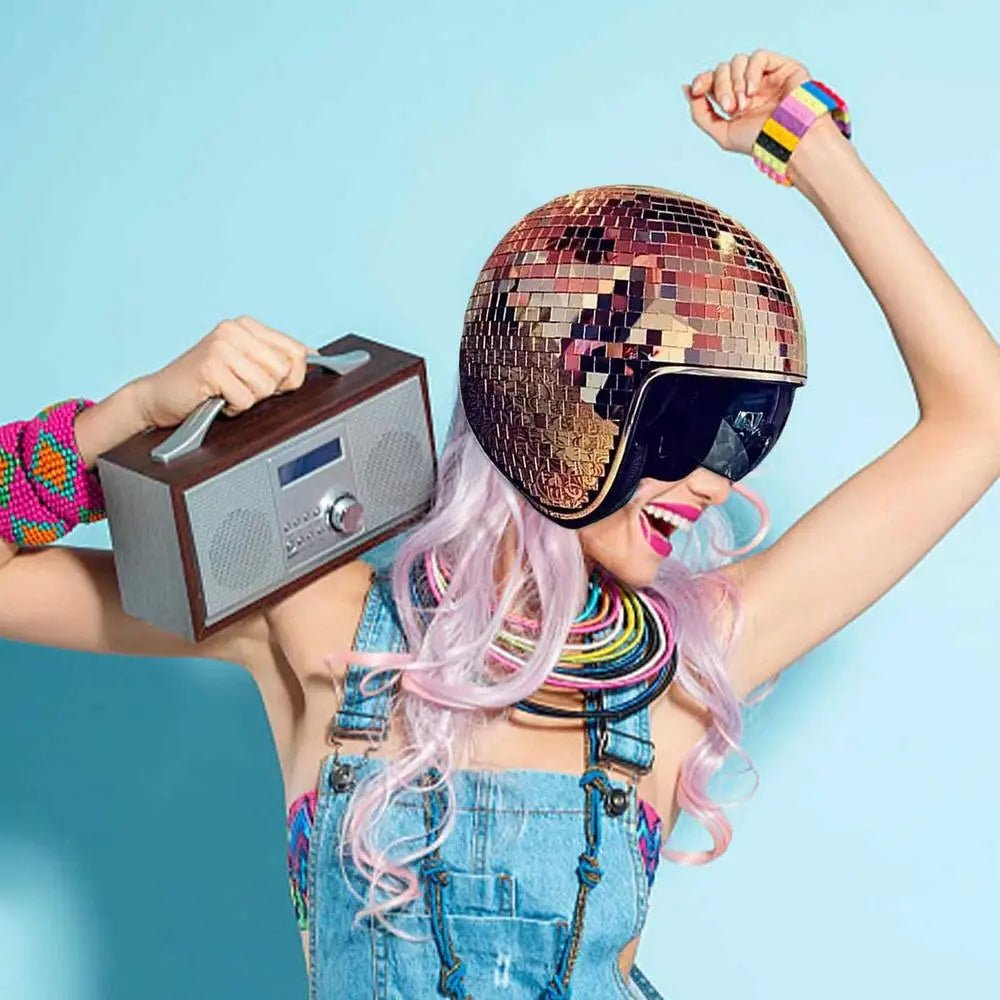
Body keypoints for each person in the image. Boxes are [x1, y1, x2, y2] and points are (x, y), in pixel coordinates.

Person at [1, 49, 998, 999]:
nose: (704, 481)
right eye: (677, 425)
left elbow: (977, 420)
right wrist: (125, 420)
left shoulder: (685, 661)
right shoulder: (318, 617)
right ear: (541, 408)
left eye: (736, 436)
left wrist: (806, 143)